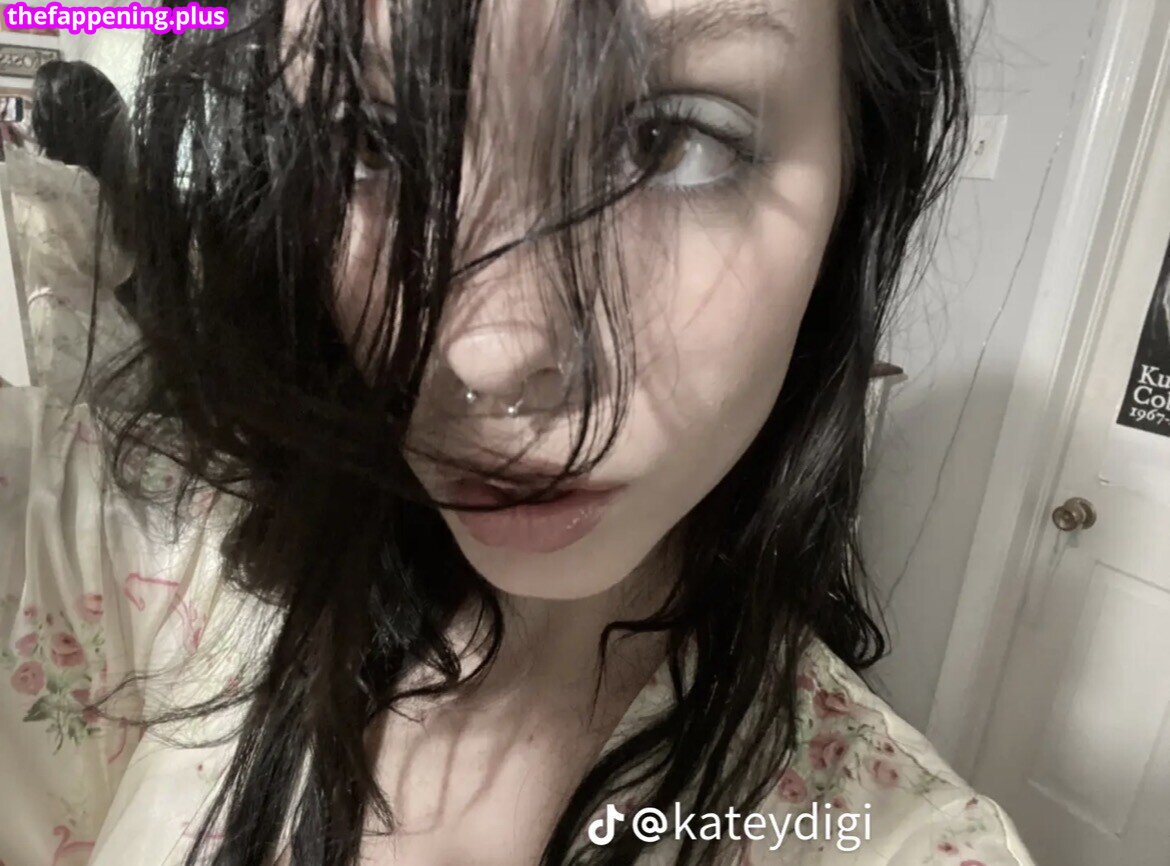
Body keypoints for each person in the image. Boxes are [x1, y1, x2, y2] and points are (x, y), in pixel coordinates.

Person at [0, 1, 1036, 865]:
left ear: (858, 180)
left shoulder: (891, 838)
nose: (487, 355)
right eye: (369, 144)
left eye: (669, 140)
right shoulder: (140, 552)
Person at [3, 60, 139, 405]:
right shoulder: (103, 187)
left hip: (67, 343)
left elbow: (16, 171)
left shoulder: (68, 183)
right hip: (113, 336)